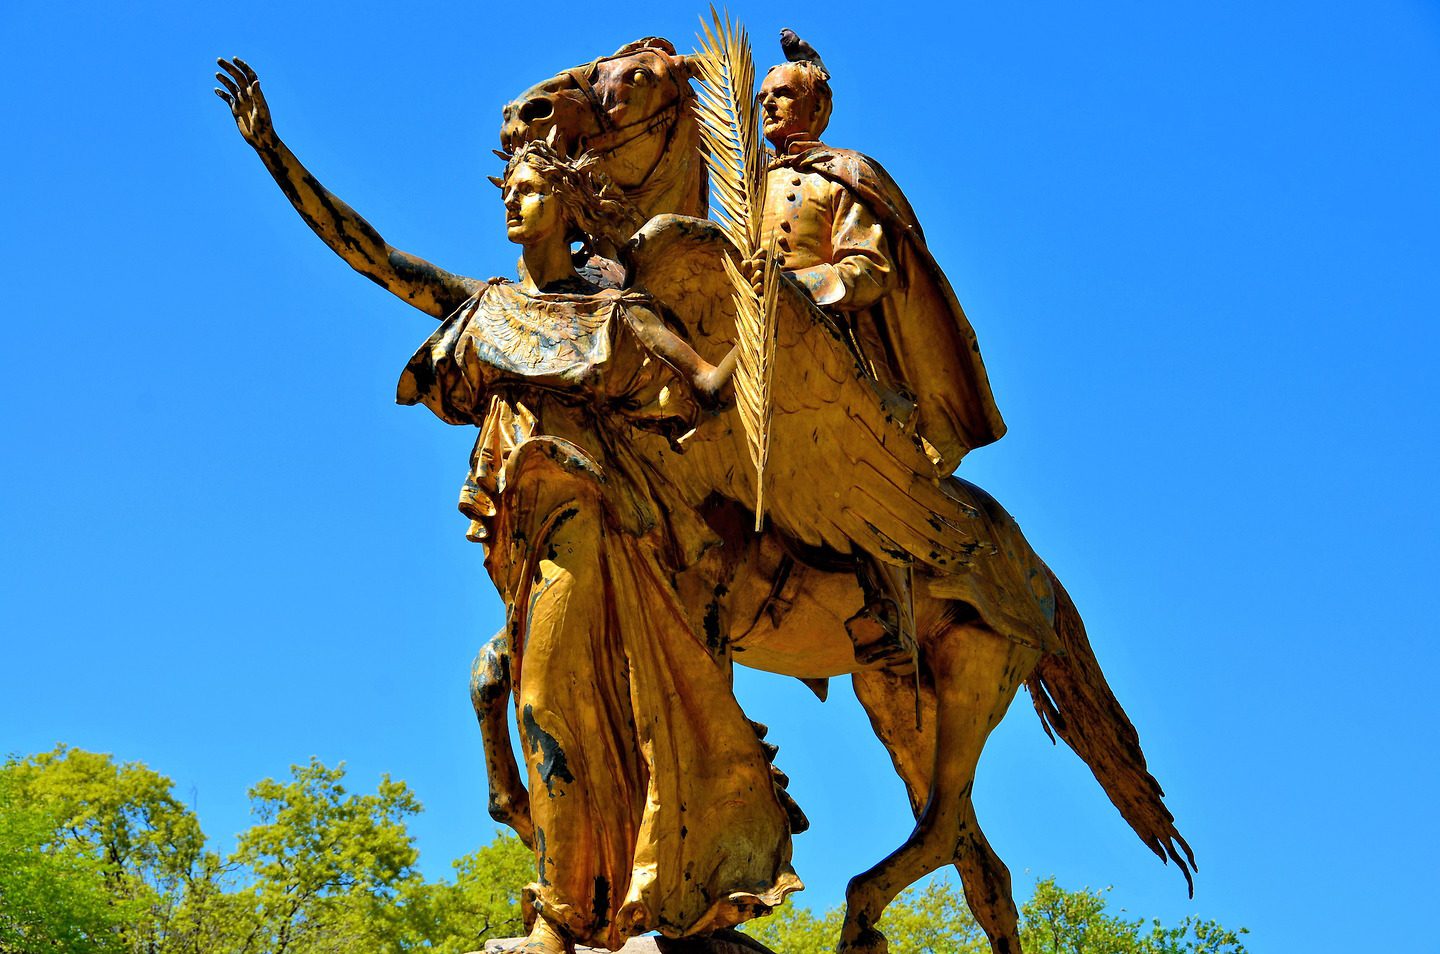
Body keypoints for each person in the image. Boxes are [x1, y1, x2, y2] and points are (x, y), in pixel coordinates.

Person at [216, 59, 801, 954]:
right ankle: (597, 908)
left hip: (599, 528)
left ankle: (566, 922)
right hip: (526, 550)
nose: (513, 204)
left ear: (569, 208)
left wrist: (760, 305)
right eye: (510, 190)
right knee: (558, 717)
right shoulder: (486, 307)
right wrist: (274, 152)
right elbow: (373, 256)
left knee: (546, 704)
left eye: (531, 191)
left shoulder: (618, 313)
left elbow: (714, 389)